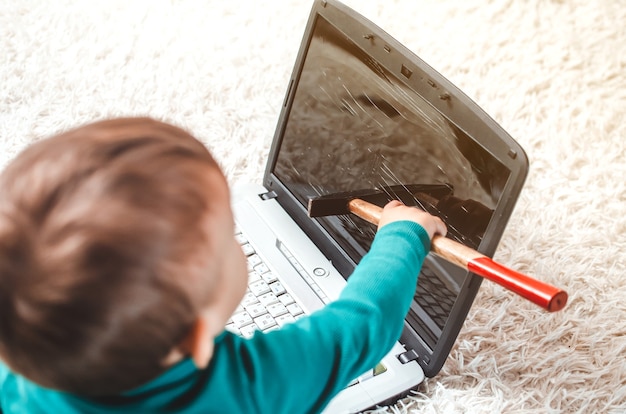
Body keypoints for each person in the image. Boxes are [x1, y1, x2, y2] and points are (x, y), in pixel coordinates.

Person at [0, 117, 446, 413]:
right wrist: (403, 234)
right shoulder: (245, 388)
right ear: (199, 337)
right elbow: (361, 327)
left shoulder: (19, 373)